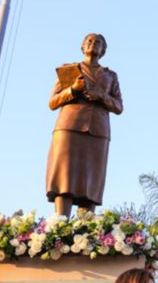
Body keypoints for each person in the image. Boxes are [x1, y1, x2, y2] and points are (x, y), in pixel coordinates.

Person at [46, 33, 124, 217]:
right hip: (69, 127)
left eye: (98, 42)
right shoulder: (69, 70)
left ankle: (85, 230)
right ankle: (60, 225)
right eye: (89, 41)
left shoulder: (110, 76)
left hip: (97, 131)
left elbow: (119, 106)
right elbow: (53, 102)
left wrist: (101, 95)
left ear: (103, 49)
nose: (93, 44)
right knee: (65, 177)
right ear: (82, 46)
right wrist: (73, 90)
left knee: (91, 181)